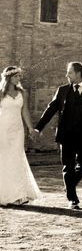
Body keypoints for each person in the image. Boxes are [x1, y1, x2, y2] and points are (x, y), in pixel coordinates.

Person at [35, 62, 82, 209]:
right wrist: (39, 127)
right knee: (68, 166)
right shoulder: (62, 90)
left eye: (69, 72)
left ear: (78, 74)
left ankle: (69, 185)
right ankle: (72, 199)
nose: (67, 75)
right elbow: (50, 110)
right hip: (66, 135)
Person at [0, 66, 42, 206]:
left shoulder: (23, 93)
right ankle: (4, 194)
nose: (19, 79)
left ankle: (19, 195)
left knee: (17, 159)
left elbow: (25, 112)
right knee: (4, 160)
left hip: (17, 130)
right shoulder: (0, 93)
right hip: (2, 129)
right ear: (9, 77)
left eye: (19, 76)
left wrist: (31, 128)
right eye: (16, 76)